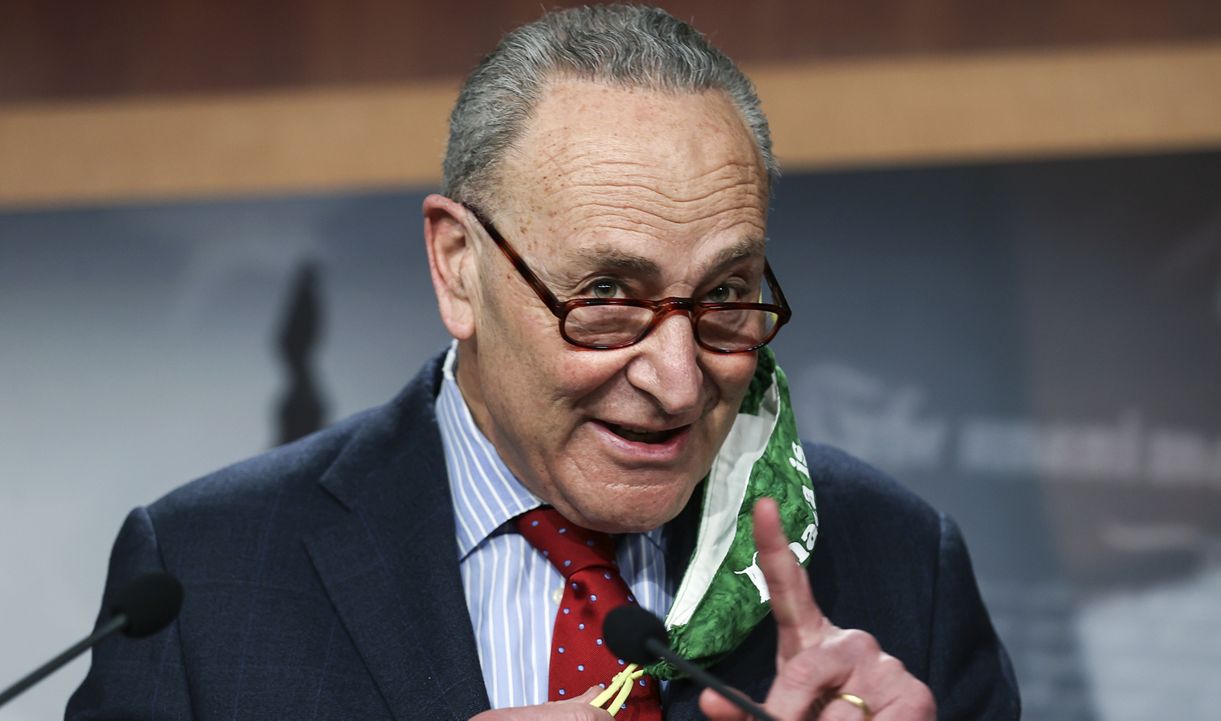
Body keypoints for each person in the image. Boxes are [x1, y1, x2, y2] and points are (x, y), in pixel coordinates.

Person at [68, 6, 1018, 721]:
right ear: (457, 268)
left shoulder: (898, 565)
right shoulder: (204, 578)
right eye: (607, 294)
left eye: (726, 294)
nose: (680, 381)